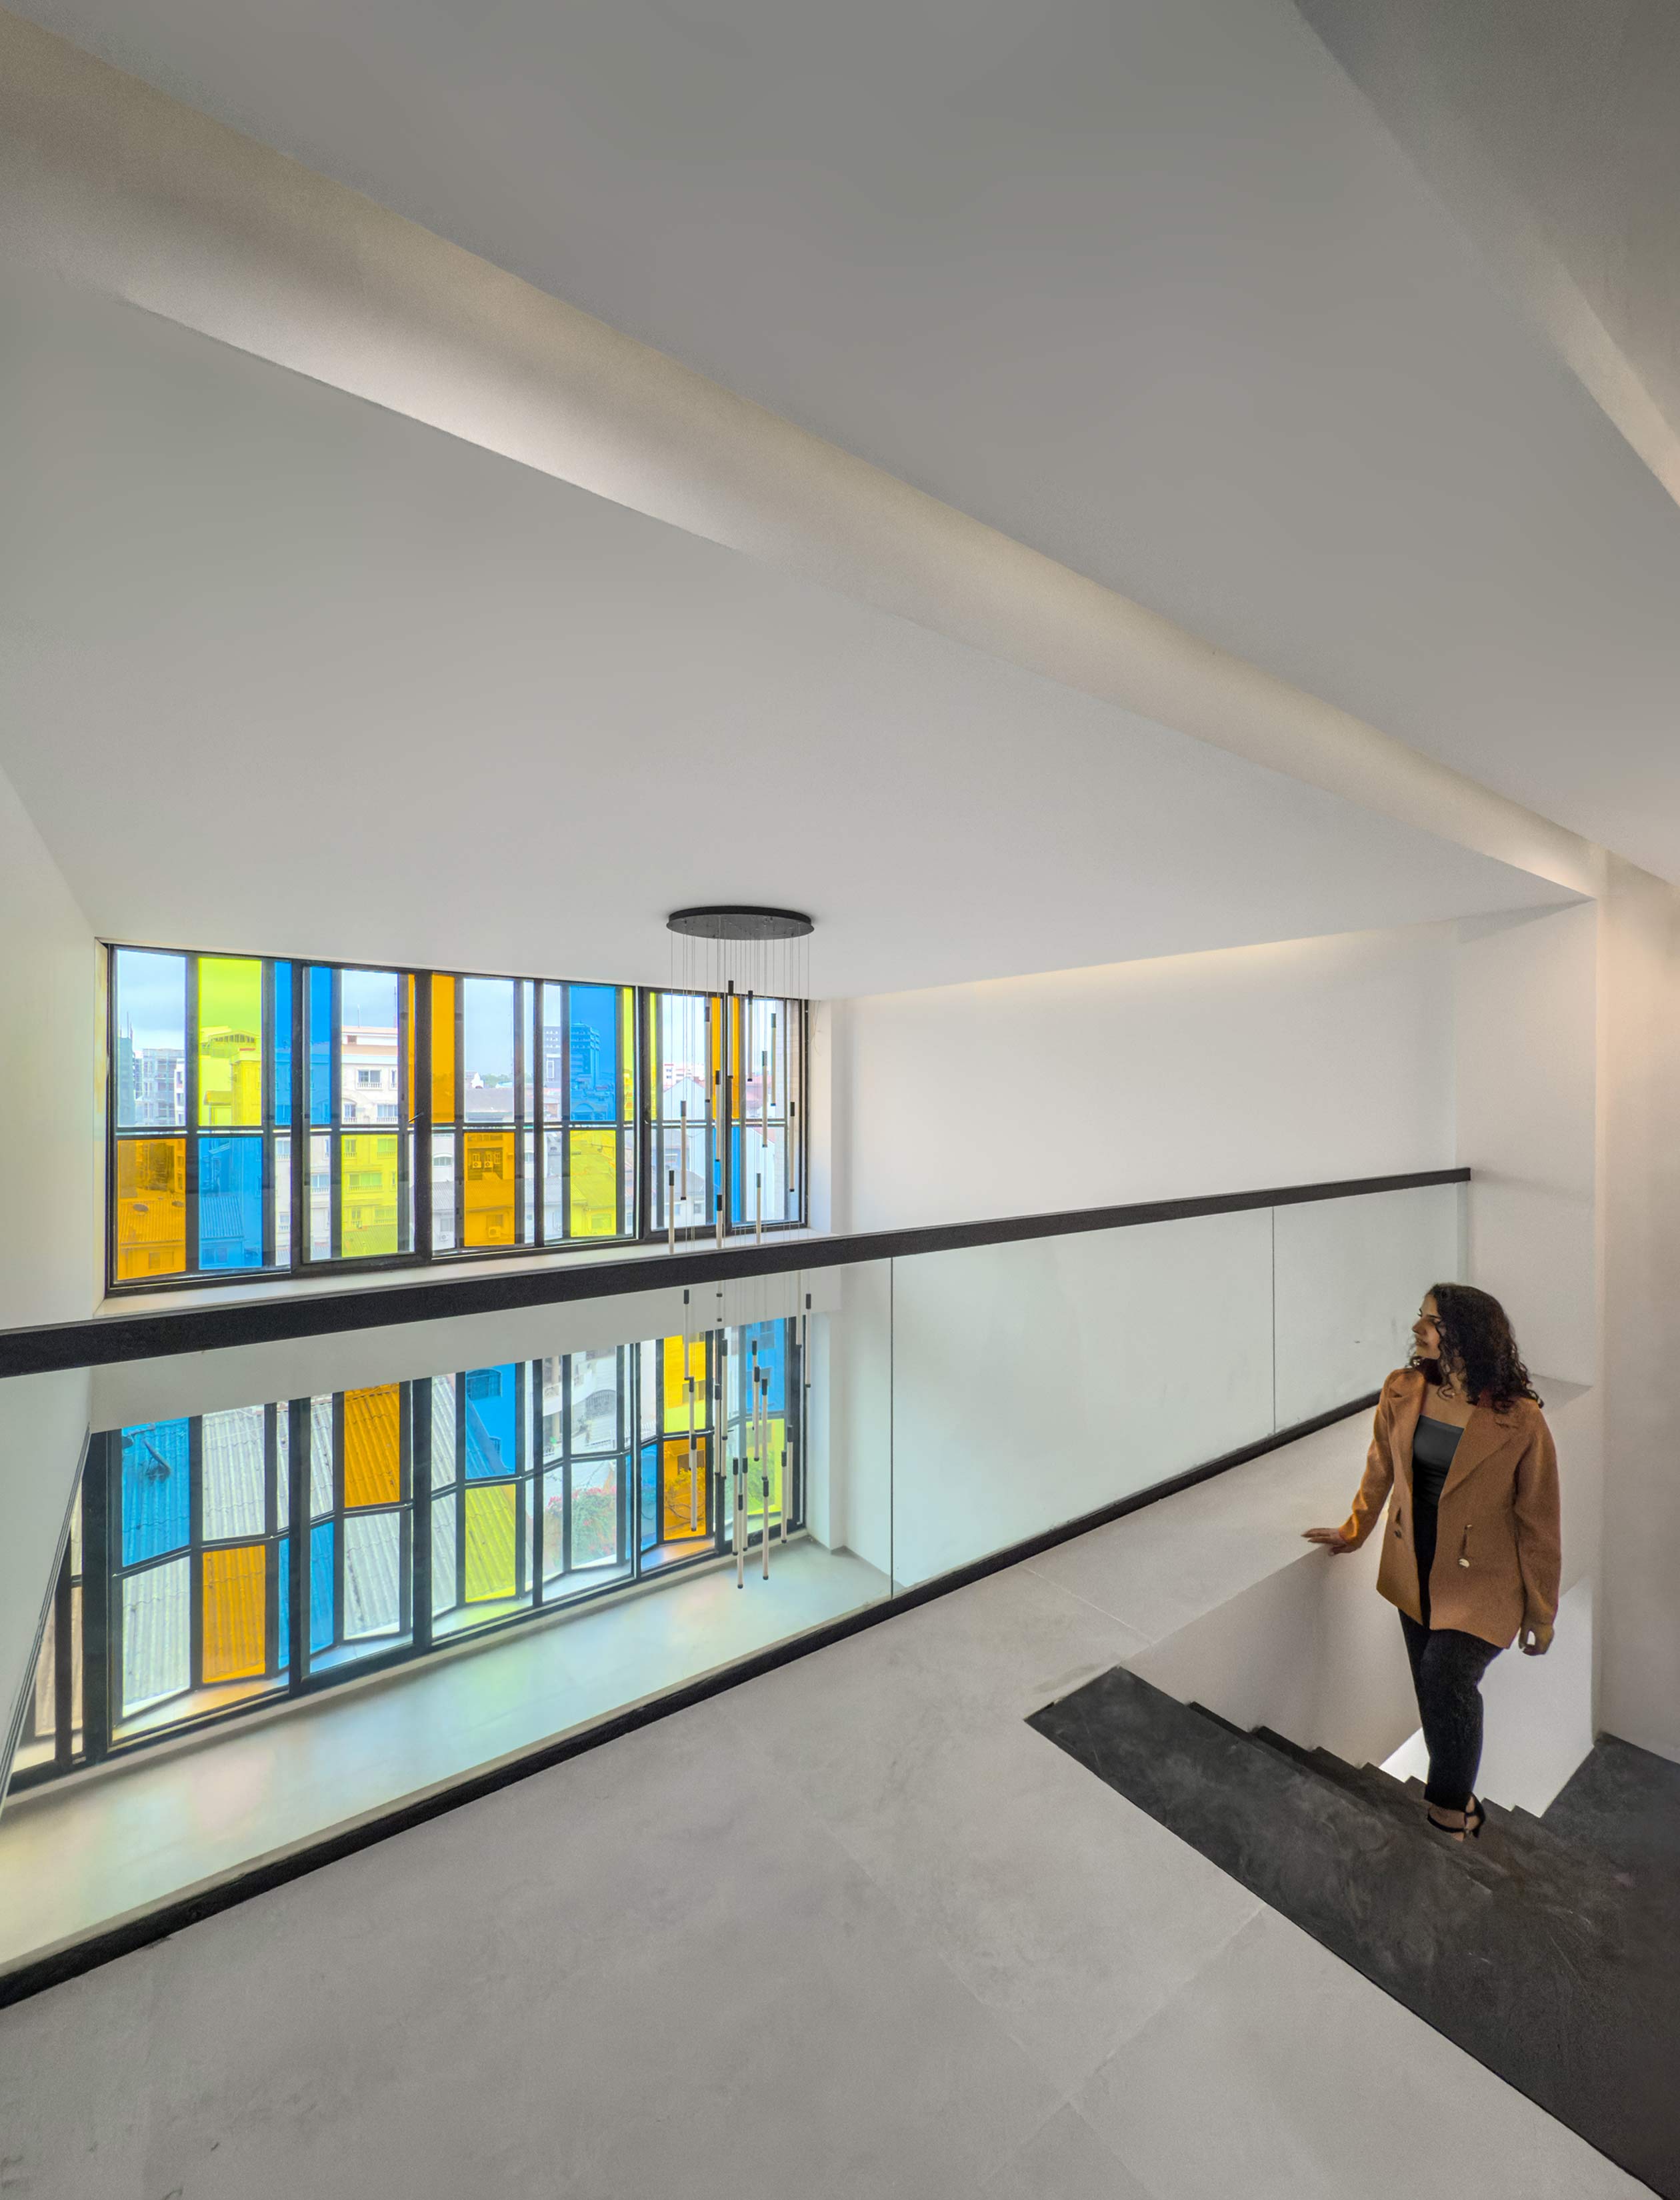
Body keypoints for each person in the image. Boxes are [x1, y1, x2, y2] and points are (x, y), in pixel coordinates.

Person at [1303, 1284, 1561, 1841]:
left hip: (1484, 1580)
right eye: (1421, 1318)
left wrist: (1541, 1611)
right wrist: (1356, 1528)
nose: (1418, 1329)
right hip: (1413, 1565)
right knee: (1432, 1689)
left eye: (1431, 1321)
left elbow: (1538, 1520)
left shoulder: (1521, 1420)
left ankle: (1448, 1811)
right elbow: (1380, 1469)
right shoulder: (1402, 1389)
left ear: (1465, 1335)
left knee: (1446, 1676)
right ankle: (1463, 1799)